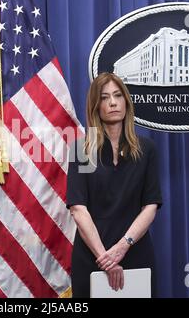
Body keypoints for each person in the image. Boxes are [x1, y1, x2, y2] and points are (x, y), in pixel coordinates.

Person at [66, 72, 162, 298]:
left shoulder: (146, 149)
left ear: (126, 102)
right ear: (95, 106)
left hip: (135, 252)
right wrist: (106, 258)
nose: (112, 102)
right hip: (92, 256)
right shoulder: (83, 151)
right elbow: (78, 209)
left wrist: (122, 247)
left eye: (118, 96)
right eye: (105, 97)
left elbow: (150, 206)